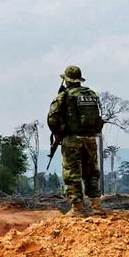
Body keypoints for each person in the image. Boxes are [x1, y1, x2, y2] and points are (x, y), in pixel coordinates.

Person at [46, 65, 104, 217]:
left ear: (66, 80)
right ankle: (96, 206)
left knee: (72, 173)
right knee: (92, 172)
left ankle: (77, 208)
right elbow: (98, 117)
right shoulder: (91, 94)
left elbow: (52, 119)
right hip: (90, 138)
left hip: (72, 140)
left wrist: (59, 133)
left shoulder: (64, 96)